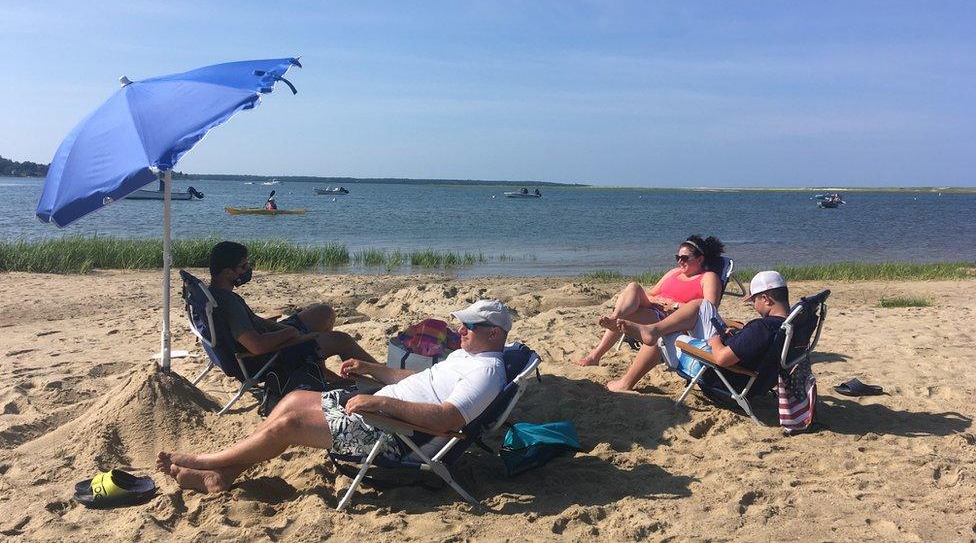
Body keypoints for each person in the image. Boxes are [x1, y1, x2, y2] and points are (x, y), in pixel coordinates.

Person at [156, 299, 514, 493]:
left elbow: (449, 419)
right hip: (384, 408)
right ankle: (225, 474)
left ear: (495, 334)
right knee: (294, 398)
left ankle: (209, 463)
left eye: (470, 326)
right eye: (462, 323)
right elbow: (419, 378)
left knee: (291, 424)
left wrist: (380, 402)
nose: (460, 329)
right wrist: (372, 370)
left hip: (396, 433)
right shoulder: (464, 355)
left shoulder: (486, 371)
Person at [207, 241, 378, 380]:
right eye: (243, 266)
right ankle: (384, 376)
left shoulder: (215, 294)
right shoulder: (228, 305)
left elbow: (254, 323)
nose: (248, 269)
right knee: (342, 340)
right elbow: (256, 346)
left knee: (324, 312)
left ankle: (319, 370)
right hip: (269, 357)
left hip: (271, 338)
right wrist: (289, 333)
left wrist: (283, 328)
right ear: (228, 273)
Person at [574, 236, 725, 384]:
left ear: (700, 259)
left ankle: (597, 352)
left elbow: (708, 311)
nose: (680, 261)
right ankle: (613, 321)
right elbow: (651, 294)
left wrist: (674, 304)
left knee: (626, 318)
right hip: (655, 308)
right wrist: (659, 300)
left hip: (672, 320)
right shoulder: (674, 273)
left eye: (684, 258)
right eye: (677, 257)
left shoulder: (708, 278)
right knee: (633, 286)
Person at [604, 271, 790, 391]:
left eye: (754, 301)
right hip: (756, 377)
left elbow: (723, 358)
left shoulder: (762, 327)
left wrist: (716, 340)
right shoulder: (792, 326)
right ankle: (652, 330)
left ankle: (626, 381)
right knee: (703, 305)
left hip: (723, 376)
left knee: (665, 335)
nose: (754, 306)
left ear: (766, 299)